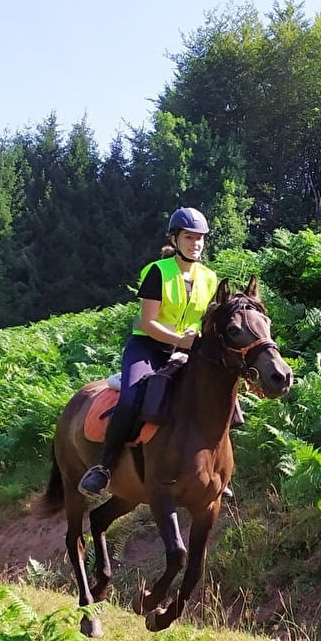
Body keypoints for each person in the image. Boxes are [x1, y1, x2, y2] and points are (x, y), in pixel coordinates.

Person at [78, 207, 219, 498]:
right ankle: (104, 467)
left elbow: (207, 319)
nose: (196, 243)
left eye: (200, 238)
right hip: (148, 348)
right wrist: (181, 341)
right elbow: (148, 322)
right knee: (131, 399)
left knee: (220, 396)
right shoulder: (158, 272)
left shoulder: (209, 277)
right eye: (189, 237)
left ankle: (216, 468)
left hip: (189, 349)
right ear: (175, 238)